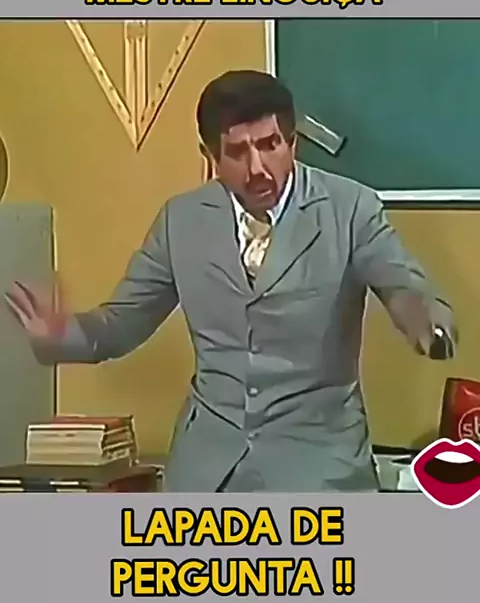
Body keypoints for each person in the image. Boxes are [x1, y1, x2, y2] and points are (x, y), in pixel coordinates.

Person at [5, 70, 457, 492]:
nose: (258, 167)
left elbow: (400, 282)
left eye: (270, 145)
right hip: (206, 473)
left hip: (319, 469)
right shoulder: (181, 221)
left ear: (293, 143)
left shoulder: (350, 208)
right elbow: (120, 324)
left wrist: (423, 321)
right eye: (238, 152)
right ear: (210, 157)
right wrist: (61, 336)